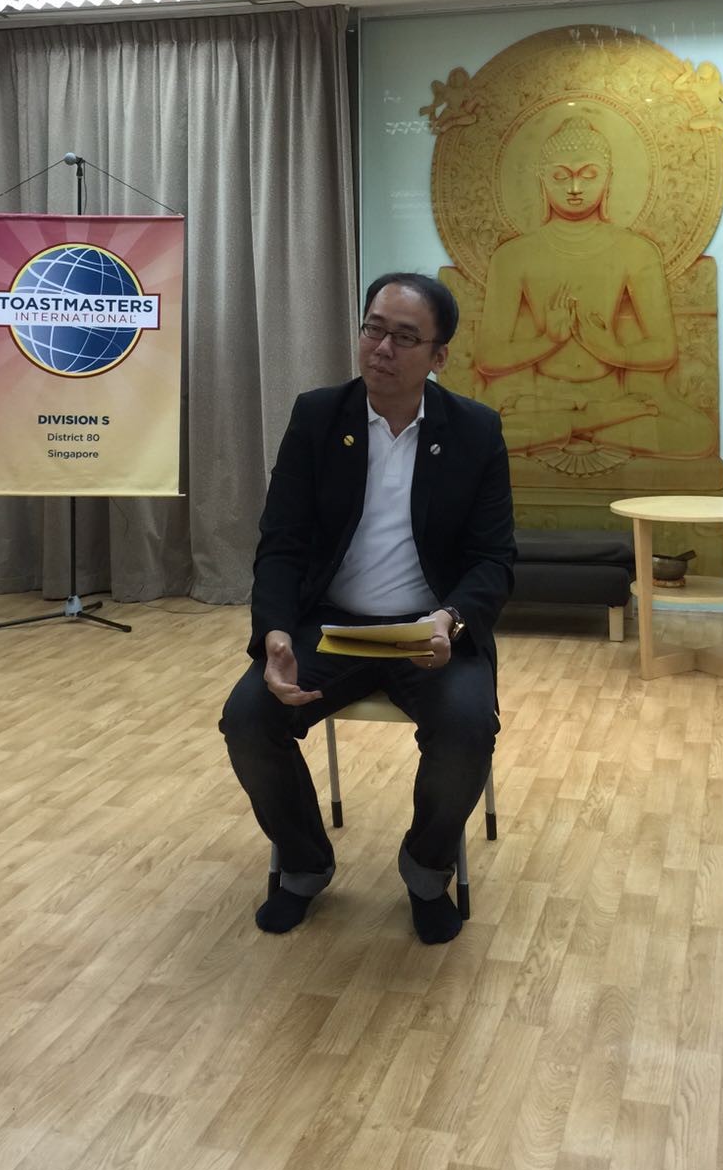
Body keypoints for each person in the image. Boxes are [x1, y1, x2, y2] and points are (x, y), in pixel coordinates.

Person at [220, 272, 515, 944]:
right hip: (332, 627)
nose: (382, 347)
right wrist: (274, 633)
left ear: (439, 355)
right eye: (373, 328)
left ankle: (426, 868)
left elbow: (493, 558)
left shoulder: (474, 431)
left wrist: (450, 620)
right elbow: (282, 542)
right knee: (247, 719)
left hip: (429, 630)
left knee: (468, 728)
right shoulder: (318, 417)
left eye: (405, 337)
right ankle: (304, 864)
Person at [474, 116, 713, 458]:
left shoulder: (637, 251)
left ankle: (570, 425)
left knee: (699, 434)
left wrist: (613, 351)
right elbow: (488, 357)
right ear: (542, 179)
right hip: (540, 397)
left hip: (610, 393)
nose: (574, 188)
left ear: (608, 178)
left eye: (588, 175)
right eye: (561, 176)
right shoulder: (512, 255)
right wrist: (548, 340)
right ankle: (593, 424)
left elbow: (664, 349)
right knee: (474, 434)